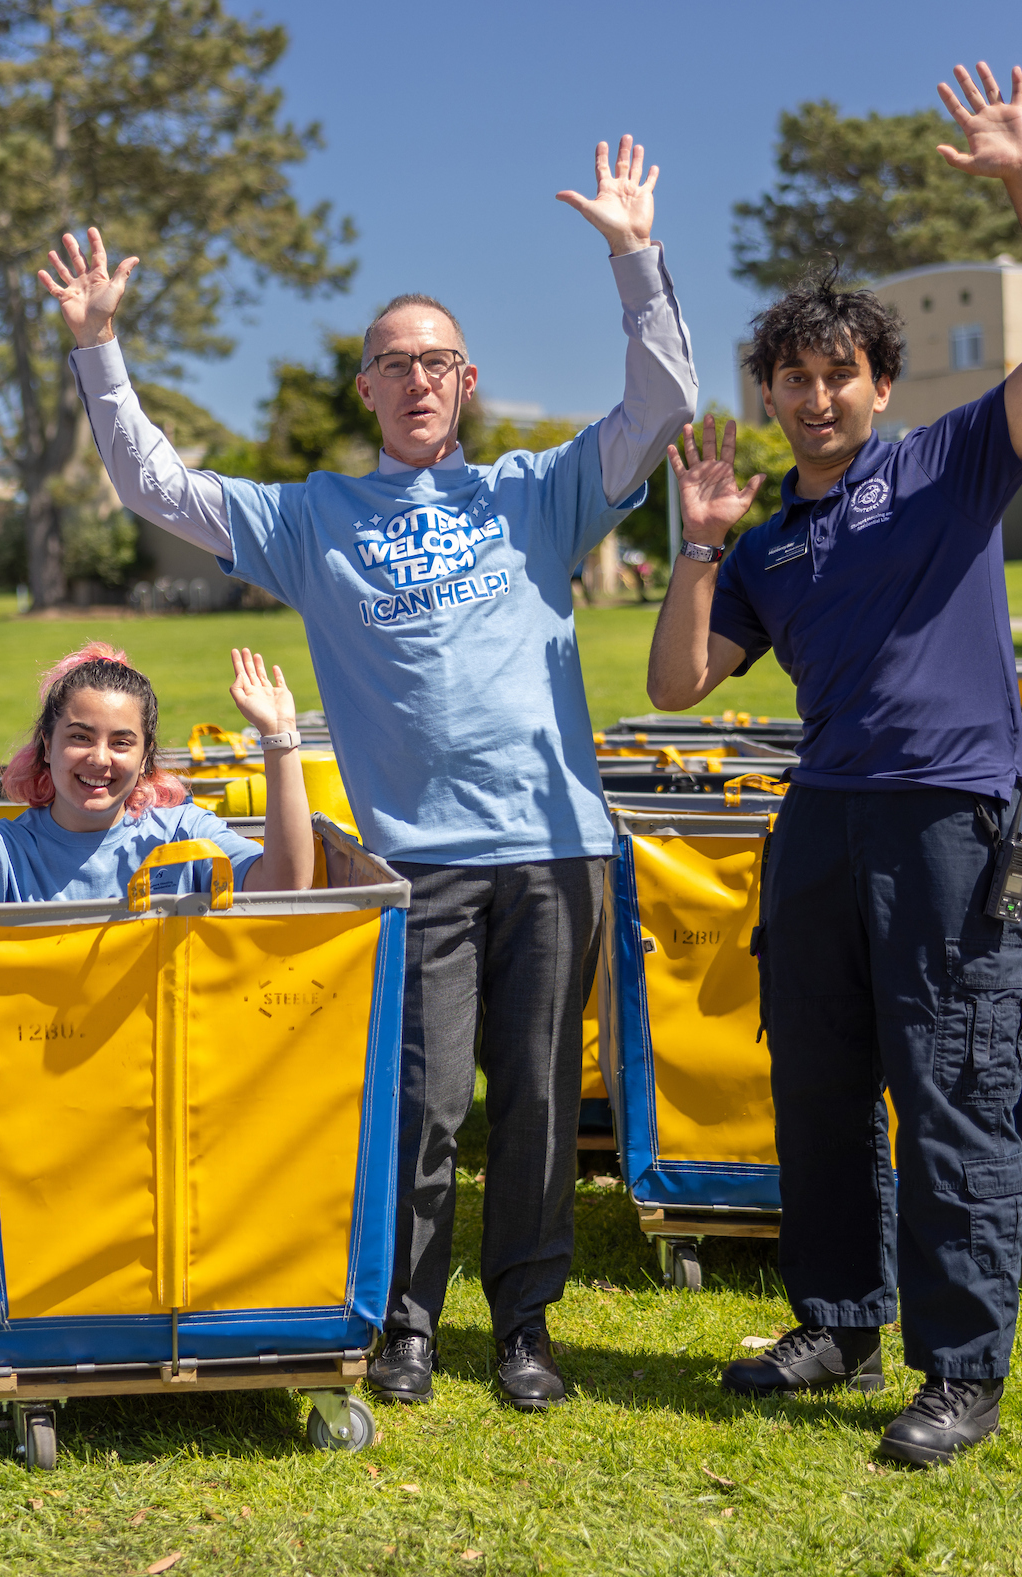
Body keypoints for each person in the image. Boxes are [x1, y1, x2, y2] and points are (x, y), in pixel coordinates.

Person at [41, 136, 697, 1410]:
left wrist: (633, 255)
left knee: (543, 1101)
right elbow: (150, 482)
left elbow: (664, 403)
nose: (415, 378)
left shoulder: (539, 495)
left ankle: (526, 1328)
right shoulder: (311, 518)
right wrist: (98, 348)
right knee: (427, 1100)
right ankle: (407, 1322)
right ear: (366, 387)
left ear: (465, 380)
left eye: (435, 359)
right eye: (392, 360)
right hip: (421, 860)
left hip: (555, 847)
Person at [645, 64, 1022, 1468]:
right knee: (823, 1080)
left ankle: (960, 1370)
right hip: (823, 830)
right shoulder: (768, 544)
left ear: (880, 382)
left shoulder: (955, 462)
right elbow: (677, 683)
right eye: (790, 377)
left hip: (950, 825)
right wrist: (700, 542)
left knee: (955, 1084)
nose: (811, 395)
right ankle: (837, 1320)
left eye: (835, 373)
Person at [0, 594, 313, 904]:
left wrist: (279, 738)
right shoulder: (14, 846)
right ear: (47, 746)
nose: (100, 758)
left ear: (145, 759)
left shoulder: (184, 833)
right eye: (80, 737)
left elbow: (285, 885)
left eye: (121, 742)